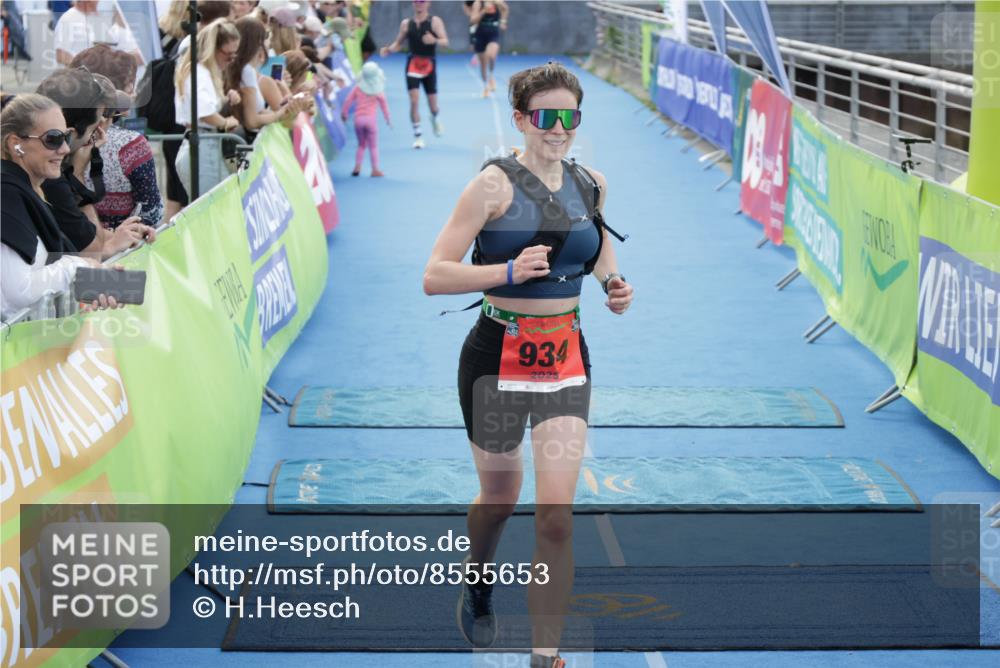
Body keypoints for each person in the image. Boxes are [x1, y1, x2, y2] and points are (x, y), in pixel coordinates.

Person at [422, 63, 632, 668]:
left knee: (557, 517)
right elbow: (435, 275)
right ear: (520, 119)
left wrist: (615, 282)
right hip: (496, 357)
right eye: (547, 117)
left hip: (565, 355)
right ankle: (478, 580)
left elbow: (597, 249)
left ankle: (546, 656)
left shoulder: (592, 183)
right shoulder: (490, 186)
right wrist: (505, 272)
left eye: (571, 117)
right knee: (500, 494)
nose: (560, 129)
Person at [1, 93, 122, 319]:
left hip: (36, 341)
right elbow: (17, 293)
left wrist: (104, 280)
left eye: (66, 137)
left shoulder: (24, 191)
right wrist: (75, 266)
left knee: (137, 291)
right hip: (16, 349)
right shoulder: (5, 195)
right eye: (53, 138)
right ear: (16, 144)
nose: (65, 149)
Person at [36, 68, 154, 260]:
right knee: (133, 285)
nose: (101, 129)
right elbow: (93, 252)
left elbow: (92, 240)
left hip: (54, 278)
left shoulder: (48, 169)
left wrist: (122, 235)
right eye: (95, 126)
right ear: (71, 132)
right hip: (51, 284)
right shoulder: (50, 177)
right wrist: (79, 173)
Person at [71, 45, 164, 229]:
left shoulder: (61, 138)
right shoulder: (132, 145)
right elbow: (152, 213)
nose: (135, 93)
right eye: (130, 86)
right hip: (122, 247)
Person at [173, 18, 242, 200]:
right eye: (229, 55)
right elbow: (204, 112)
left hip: (205, 147)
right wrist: (226, 122)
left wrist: (226, 100)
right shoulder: (198, 72)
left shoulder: (203, 72)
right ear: (214, 49)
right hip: (202, 150)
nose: (232, 60)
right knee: (215, 209)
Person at [379, 0, 448, 150]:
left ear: (428, 3)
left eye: (422, 1)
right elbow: (398, 43)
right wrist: (388, 50)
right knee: (414, 100)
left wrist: (434, 40)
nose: (419, 3)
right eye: (416, 1)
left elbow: (445, 41)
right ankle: (418, 136)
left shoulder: (435, 22)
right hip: (413, 65)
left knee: (433, 105)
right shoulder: (406, 23)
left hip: (429, 65)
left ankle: (435, 117)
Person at [227, 16, 299, 138]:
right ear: (258, 42)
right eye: (266, 37)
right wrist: (280, 113)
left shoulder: (244, 69)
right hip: (245, 141)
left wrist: (283, 99)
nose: (269, 42)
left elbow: (258, 113)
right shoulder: (247, 71)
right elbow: (252, 121)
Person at [53, 0, 141, 67]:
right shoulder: (69, 18)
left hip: (100, 82)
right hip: (79, 81)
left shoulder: (101, 19)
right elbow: (61, 56)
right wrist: (85, 67)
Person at [341, 61, 390, 177]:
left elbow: (348, 100)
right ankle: (375, 169)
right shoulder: (378, 91)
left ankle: (357, 167)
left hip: (358, 120)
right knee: (373, 146)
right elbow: (384, 105)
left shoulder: (358, 88)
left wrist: (344, 113)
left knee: (361, 145)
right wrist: (387, 117)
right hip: (371, 121)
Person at [468, 0, 508, 97]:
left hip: (493, 34)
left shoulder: (498, 2)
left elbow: (505, 9)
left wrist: (503, 21)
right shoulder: (478, 3)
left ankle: (491, 76)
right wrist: (483, 11)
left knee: (491, 55)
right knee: (483, 65)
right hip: (480, 35)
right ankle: (485, 87)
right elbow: (472, 21)